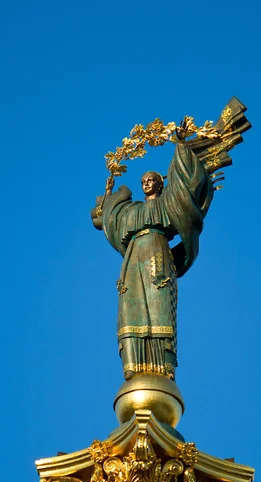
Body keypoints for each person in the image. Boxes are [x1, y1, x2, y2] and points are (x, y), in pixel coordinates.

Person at [91, 133, 214, 381]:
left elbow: (185, 188)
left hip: (158, 255)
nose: (146, 183)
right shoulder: (131, 210)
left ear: (160, 184)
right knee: (130, 310)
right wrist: (107, 199)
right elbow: (101, 219)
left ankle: (163, 365)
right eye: (143, 180)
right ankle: (133, 364)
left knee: (159, 310)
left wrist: (181, 148)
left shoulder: (169, 203)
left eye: (152, 180)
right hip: (133, 261)